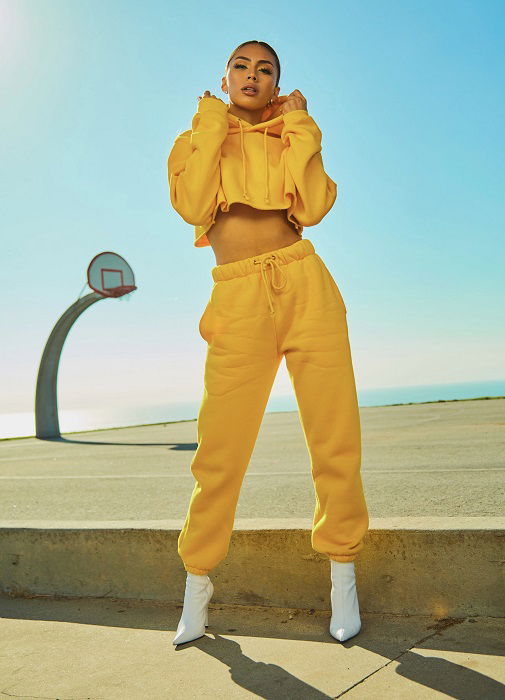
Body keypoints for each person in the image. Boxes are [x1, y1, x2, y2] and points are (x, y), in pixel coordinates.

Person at [167, 40, 369, 646]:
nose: (253, 76)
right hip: (237, 298)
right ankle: (197, 585)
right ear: (224, 76)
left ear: (278, 82)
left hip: (305, 282)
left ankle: (342, 573)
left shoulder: (291, 134)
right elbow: (192, 204)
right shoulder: (193, 139)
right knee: (220, 451)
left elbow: (313, 205)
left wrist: (301, 126)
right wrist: (210, 123)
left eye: (266, 69)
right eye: (241, 67)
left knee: (336, 437)